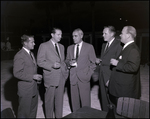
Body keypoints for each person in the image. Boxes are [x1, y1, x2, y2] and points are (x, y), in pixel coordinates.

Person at [37, 28, 69, 118]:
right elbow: (40, 61)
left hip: (61, 78)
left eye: (61, 35)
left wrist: (65, 72)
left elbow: (62, 62)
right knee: (49, 102)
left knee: (59, 102)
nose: (60, 37)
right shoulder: (44, 46)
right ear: (52, 35)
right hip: (50, 78)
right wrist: (52, 65)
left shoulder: (62, 47)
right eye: (58, 34)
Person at [109, 26, 141, 107]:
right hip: (121, 89)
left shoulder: (133, 49)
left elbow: (133, 67)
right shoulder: (126, 47)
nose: (120, 35)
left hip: (125, 91)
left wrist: (117, 63)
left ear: (128, 35)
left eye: (122, 33)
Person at [65, 28, 97, 112]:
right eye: (72, 36)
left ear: (81, 36)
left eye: (76, 36)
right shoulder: (69, 48)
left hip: (84, 78)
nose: (73, 38)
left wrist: (88, 74)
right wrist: (69, 63)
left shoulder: (89, 47)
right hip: (73, 78)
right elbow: (67, 60)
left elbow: (93, 63)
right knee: (74, 102)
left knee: (85, 102)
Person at [13, 34, 42, 118]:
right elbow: (17, 73)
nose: (34, 44)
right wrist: (32, 77)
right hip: (25, 91)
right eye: (32, 42)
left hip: (33, 88)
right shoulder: (19, 55)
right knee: (24, 113)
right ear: (25, 43)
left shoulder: (31, 54)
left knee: (33, 111)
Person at [96, 26, 122, 112]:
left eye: (105, 33)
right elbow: (105, 59)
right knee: (103, 98)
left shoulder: (118, 44)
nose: (103, 35)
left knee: (112, 100)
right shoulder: (104, 45)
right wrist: (100, 61)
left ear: (112, 34)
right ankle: (105, 114)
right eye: (103, 33)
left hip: (110, 77)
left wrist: (111, 79)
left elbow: (118, 63)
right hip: (102, 75)